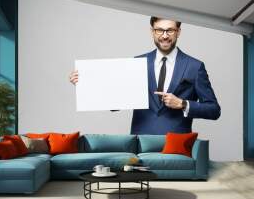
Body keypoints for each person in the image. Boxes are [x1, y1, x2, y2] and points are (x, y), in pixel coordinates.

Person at [69, 17, 221, 135]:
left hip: (177, 147)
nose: (165, 36)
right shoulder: (137, 63)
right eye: (160, 30)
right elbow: (116, 101)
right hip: (140, 145)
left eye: (170, 30)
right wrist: (86, 84)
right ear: (152, 32)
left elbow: (214, 110)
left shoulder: (195, 66)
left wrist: (183, 104)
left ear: (178, 32)